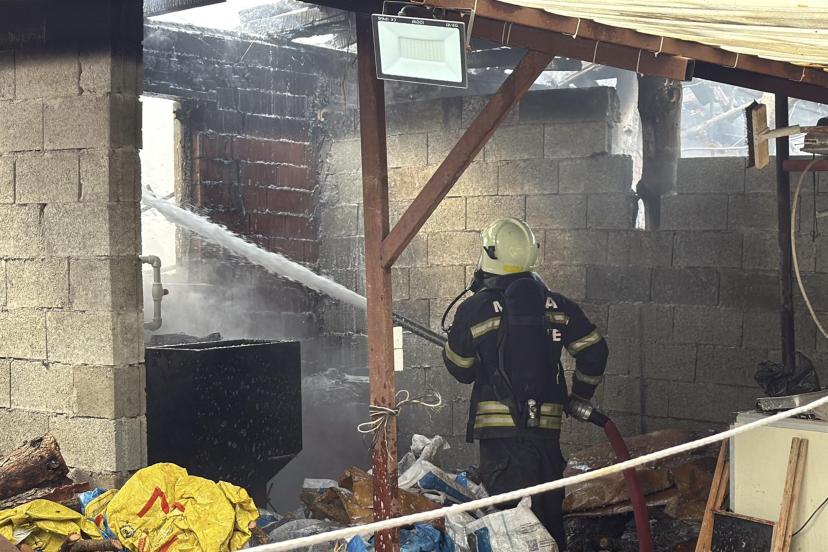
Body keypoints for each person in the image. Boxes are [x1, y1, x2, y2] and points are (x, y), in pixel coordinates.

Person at [442, 217, 608, 550]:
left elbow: (461, 368)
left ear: (490, 253)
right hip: (546, 439)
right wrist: (581, 394)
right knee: (548, 521)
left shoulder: (476, 308)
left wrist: (478, 353)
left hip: (501, 444)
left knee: (510, 529)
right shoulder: (558, 306)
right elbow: (595, 351)